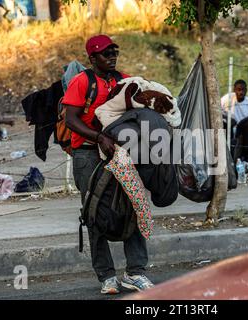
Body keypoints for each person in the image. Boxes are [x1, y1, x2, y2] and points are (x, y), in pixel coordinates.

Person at [62, 34, 154, 295]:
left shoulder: (122, 79)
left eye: (114, 52)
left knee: (132, 204)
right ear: (92, 59)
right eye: (105, 54)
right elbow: (71, 119)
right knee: (95, 212)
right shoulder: (82, 82)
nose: (112, 57)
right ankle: (106, 275)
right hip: (87, 154)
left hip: (118, 152)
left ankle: (135, 272)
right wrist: (99, 137)